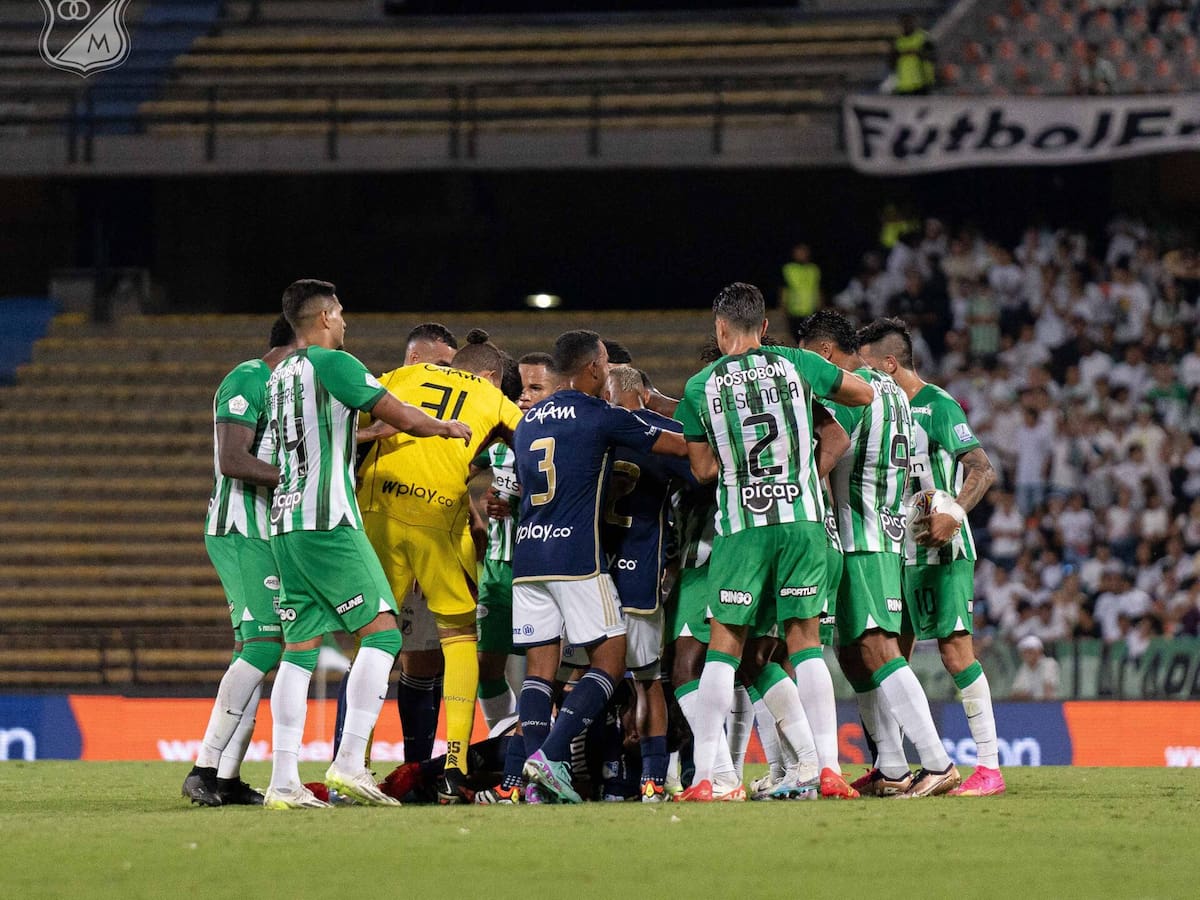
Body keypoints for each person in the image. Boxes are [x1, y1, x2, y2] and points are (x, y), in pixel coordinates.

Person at [263, 279, 471, 809]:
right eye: (340, 313)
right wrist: (444, 427)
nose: (345, 321)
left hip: (286, 522)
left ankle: (283, 781)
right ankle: (351, 761)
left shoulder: (281, 373)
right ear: (325, 317)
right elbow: (400, 412)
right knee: (382, 635)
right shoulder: (335, 363)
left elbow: (309, 436)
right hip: (329, 521)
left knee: (299, 650)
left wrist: (364, 436)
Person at [673, 283, 873, 803]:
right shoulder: (797, 363)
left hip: (743, 526)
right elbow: (863, 394)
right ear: (764, 327)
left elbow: (702, 470)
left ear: (720, 328)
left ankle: (709, 779)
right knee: (804, 643)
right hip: (803, 520)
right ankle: (828, 769)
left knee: (725, 646)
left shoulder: (699, 386)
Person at [512, 330, 687, 804]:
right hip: (575, 558)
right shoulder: (600, 415)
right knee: (610, 659)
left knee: (539, 672)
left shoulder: (526, 422)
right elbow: (678, 447)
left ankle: (538, 785)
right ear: (593, 367)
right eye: (606, 364)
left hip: (527, 556)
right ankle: (550, 756)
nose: (607, 371)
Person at [356, 328, 523, 803]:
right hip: (437, 520)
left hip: (378, 512)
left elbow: (342, 424)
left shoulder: (397, 377)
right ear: (491, 375)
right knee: (459, 637)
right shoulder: (493, 398)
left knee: (373, 639)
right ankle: (453, 765)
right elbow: (538, 445)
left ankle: (353, 764)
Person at [799, 309, 959, 799]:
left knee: (876, 648)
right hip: (884, 533)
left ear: (825, 353)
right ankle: (890, 766)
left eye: (810, 360)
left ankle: (937, 762)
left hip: (861, 536)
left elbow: (832, 443)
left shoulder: (853, 392)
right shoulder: (894, 392)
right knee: (852, 653)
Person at [859, 316, 1004, 797]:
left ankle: (989, 768)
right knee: (888, 655)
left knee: (954, 652)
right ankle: (892, 766)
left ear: (889, 363)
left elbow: (982, 468)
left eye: (868, 367)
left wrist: (954, 515)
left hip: (943, 549)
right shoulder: (883, 410)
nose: (861, 377)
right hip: (896, 549)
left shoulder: (937, 405)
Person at [182, 315, 298, 807]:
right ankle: (203, 768)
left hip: (264, 531)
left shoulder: (287, 392)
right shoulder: (248, 378)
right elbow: (233, 460)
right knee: (266, 646)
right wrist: (300, 480)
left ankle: (226, 778)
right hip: (239, 528)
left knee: (254, 651)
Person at [601, 363, 696, 801]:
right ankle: (654, 778)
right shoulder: (663, 431)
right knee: (647, 679)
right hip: (639, 569)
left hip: (590, 571)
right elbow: (705, 472)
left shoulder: (596, 427)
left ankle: (602, 777)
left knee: (581, 678)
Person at [472, 352, 558, 736]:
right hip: (497, 567)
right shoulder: (497, 441)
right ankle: (504, 742)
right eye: (520, 388)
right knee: (485, 669)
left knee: (546, 673)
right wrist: (478, 508)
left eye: (535, 388)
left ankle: (542, 747)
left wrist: (519, 505)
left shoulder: (560, 441)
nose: (524, 396)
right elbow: (454, 473)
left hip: (542, 569)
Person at [781, 243, 822, 340]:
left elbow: (818, 288)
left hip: (810, 310)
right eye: (799, 252)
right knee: (795, 336)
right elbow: (783, 289)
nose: (801, 254)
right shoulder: (789, 268)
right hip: (793, 310)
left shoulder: (814, 269)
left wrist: (820, 306)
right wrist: (783, 306)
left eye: (803, 252)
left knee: (809, 337)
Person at [890, 14, 936, 95]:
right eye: (904, 23)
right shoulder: (897, 42)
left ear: (915, 23)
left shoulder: (923, 38)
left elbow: (933, 57)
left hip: (922, 84)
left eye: (909, 22)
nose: (907, 25)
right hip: (904, 85)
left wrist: (919, 53)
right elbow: (891, 62)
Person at [1010, 635, 1060, 700]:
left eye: (1030, 651)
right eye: (1024, 652)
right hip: (1029, 704)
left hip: (1049, 704)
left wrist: (1026, 695)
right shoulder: (1023, 667)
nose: (1027, 654)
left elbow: (1048, 692)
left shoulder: (1049, 663)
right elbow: (1014, 693)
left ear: (1040, 651)